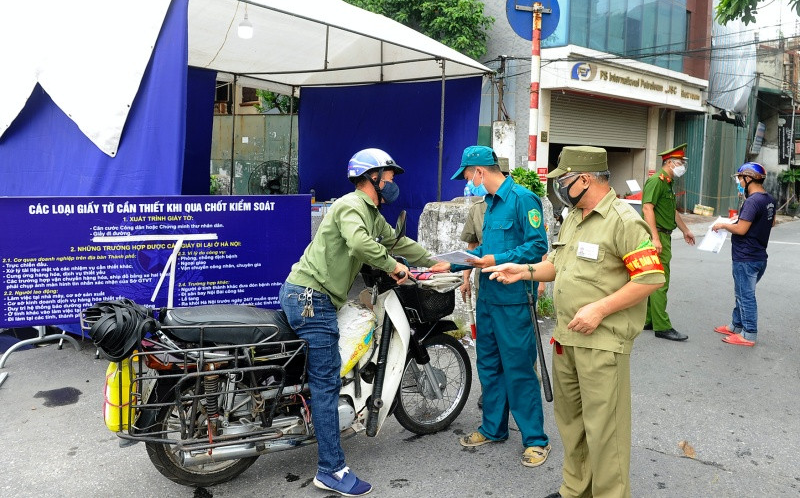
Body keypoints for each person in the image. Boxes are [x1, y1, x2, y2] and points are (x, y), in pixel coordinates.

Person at [483, 146, 665, 498]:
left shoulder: (623, 220)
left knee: (605, 432)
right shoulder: (574, 216)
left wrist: (599, 309)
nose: (559, 188)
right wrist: (523, 271)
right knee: (572, 426)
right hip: (567, 339)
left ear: (584, 179)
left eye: (563, 181)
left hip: (602, 343)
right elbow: (558, 264)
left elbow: (651, 278)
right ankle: (575, 489)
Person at [279, 148, 446, 496]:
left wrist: (433, 261)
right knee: (325, 384)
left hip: (311, 296)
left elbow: (395, 240)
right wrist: (394, 266)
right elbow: (359, 243)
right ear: (372, 177)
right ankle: (331, 471)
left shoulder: (370, 213)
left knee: (331, 368)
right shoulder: (352, 206)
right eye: (389, 177)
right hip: (312, 299)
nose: (393, 182)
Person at [449, 145, 551, 468]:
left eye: (468, 174)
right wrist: (448, 265)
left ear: (480, 171)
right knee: (489, 367)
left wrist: (497, 260)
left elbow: (537, 246)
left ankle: (535, 439)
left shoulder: (522, 200)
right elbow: (483, 251)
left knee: (519, 368)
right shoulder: (489, 206)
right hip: (488, 301)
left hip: (514, 300)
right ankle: (493, 428)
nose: (468, 180)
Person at [711, 162, 776, 347]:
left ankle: (749, 334)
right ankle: (735, 325)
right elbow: (770, 223)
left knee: (745, 296)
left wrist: (723, 225)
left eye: (740, 178)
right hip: (759, 256)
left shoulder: (752, 201)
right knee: (742, 293)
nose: (739, 181)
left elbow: (740, 229)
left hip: (746, 257)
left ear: (749, 178)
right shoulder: (769, 199)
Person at [641, 143, 695, 341]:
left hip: (664, 234)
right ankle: (662, 326)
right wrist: (655, 238)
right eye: (681, 163)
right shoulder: (656, 181)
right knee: (660, 281)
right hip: (658, 236)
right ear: (670, 163)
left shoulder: (667, 182)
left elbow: (670, 210)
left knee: (653, 278)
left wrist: (686, 230)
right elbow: (647, 209)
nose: (683, 167)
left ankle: (649, 319)